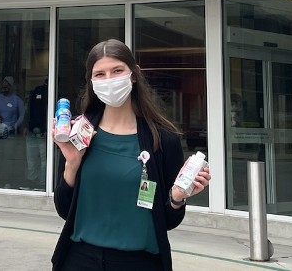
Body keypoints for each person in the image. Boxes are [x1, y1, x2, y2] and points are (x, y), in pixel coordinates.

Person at [52, 40, 210, 271]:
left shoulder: (163, 140)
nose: (109, 80)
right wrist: (72, 164)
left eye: (117, 71)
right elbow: (65, 210)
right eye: (100, 74)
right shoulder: (78, 133)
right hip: (79, 260)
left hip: (140, 263)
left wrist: (177, 198)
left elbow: (167, 221)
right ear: (92, 82)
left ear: (133, 75)